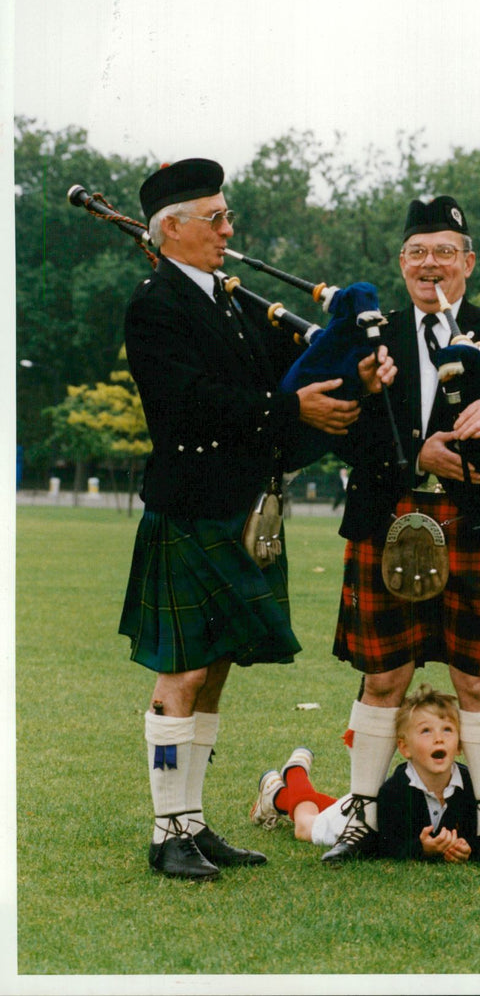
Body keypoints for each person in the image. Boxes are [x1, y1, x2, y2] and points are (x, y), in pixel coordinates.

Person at [119, 157, 393, 880]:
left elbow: (293, 374)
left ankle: (194, 822)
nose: (228, 229)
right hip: (193, 509)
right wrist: (289, 408)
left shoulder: (229, 302)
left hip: (240, 509)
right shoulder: (155, 305)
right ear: (170, 229)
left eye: (227, 214)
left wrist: (352, 377)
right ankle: (166, 829)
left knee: (213, 672)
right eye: (215, 218)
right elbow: (189, 402)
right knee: (181, 674)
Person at [320, 194, 480, 867]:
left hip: (476, 523)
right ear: (401, 263)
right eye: (416, 253)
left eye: (443, 252)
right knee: (384, 677)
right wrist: (412, 455)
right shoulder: (371, 335)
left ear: (467, 262)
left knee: (478, 680)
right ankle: (361, 819)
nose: (429, 263)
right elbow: (335, 423)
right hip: (390, 517)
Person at [251, 684, 480, 862]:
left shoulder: (469, 782)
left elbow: (471, 827)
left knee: (333, 804)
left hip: (372, 809)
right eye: (426, 731)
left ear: (459, 744)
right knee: (304, 826)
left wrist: (464, 846)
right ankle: (295, 774)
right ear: (404, 747)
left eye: (447, 729)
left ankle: (275, 794)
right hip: (357, 819)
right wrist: (421, 849)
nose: (439, 738)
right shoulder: (396, 789)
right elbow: (386, 842)